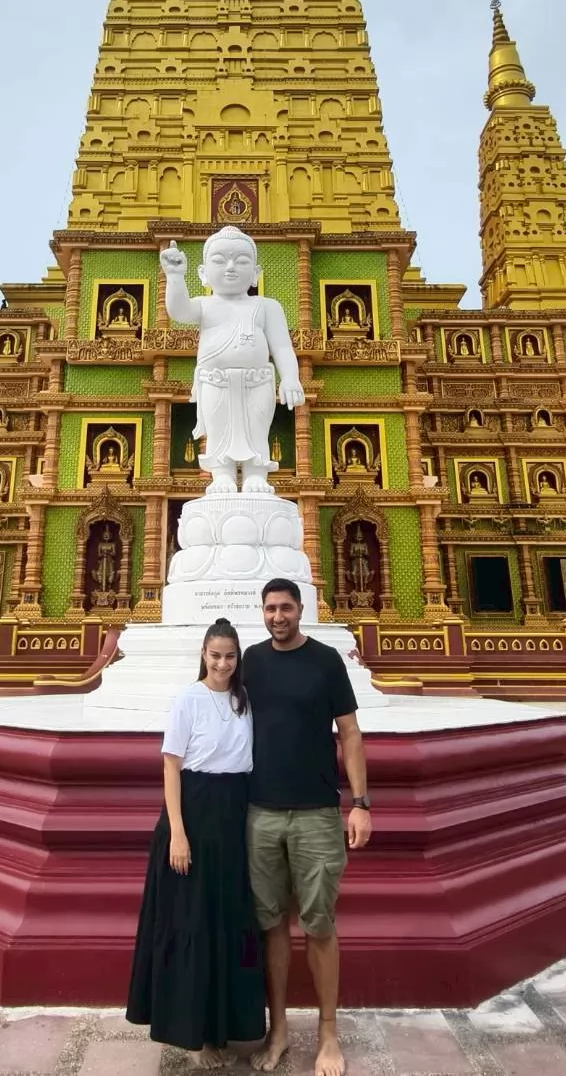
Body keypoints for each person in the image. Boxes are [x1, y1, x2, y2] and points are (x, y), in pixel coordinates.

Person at [242, 579, 372, 1076]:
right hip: (261, 811)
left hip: (317, 811)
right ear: (264, 612)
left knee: (319, 922)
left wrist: (359, 803)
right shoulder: (249, 661)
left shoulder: (326, 660)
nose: (278, 616)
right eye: (271, 609)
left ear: (301, 609)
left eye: (286, 608)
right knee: (271, 923)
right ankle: (278, 1031)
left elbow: (351, 732)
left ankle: (328, 1033)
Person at [127, 618, 265, 1067]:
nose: (222, 664)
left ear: (238, 658)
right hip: (193, 815)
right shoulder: (188, 700)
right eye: (214, 655)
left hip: (234, 816)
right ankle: (197, 1034)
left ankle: (225, 1027)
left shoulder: (246, 701)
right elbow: (172, 767)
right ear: (203, 655)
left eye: (229, 656)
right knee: (194, 925)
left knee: (229, 922)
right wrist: (178, 833)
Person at [159, 228, 304, 496]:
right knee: (218, 429)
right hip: (215, 381)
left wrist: (291, 378)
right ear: (203, 273)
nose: (230, 267)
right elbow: (178, 311)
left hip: (257, 381)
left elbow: (282, 346)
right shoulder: (204, 304)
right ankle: (222, 475)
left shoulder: (267, 306)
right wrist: (175, 277)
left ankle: (255, 476)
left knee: (257, 429)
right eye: (219, 260)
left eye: (241, 260)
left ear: (256, 273)